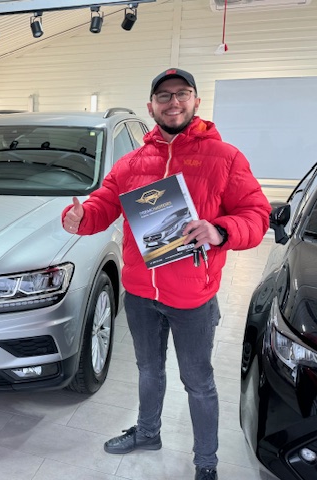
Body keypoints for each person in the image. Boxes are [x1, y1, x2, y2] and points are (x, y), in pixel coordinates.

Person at [62, 68, 271, 480]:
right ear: (151, 106)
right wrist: (80, 217)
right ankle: (147, 432)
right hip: (141, 293)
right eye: (164, 95)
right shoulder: (131, 163)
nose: (173, 102)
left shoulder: (225, 157)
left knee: (198, 382)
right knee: (148, 370)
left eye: (182, 93)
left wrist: (220, 230)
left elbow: (256, 214)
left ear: (195, 101)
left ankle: (206, 461)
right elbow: (104, 204)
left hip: (193, 297)